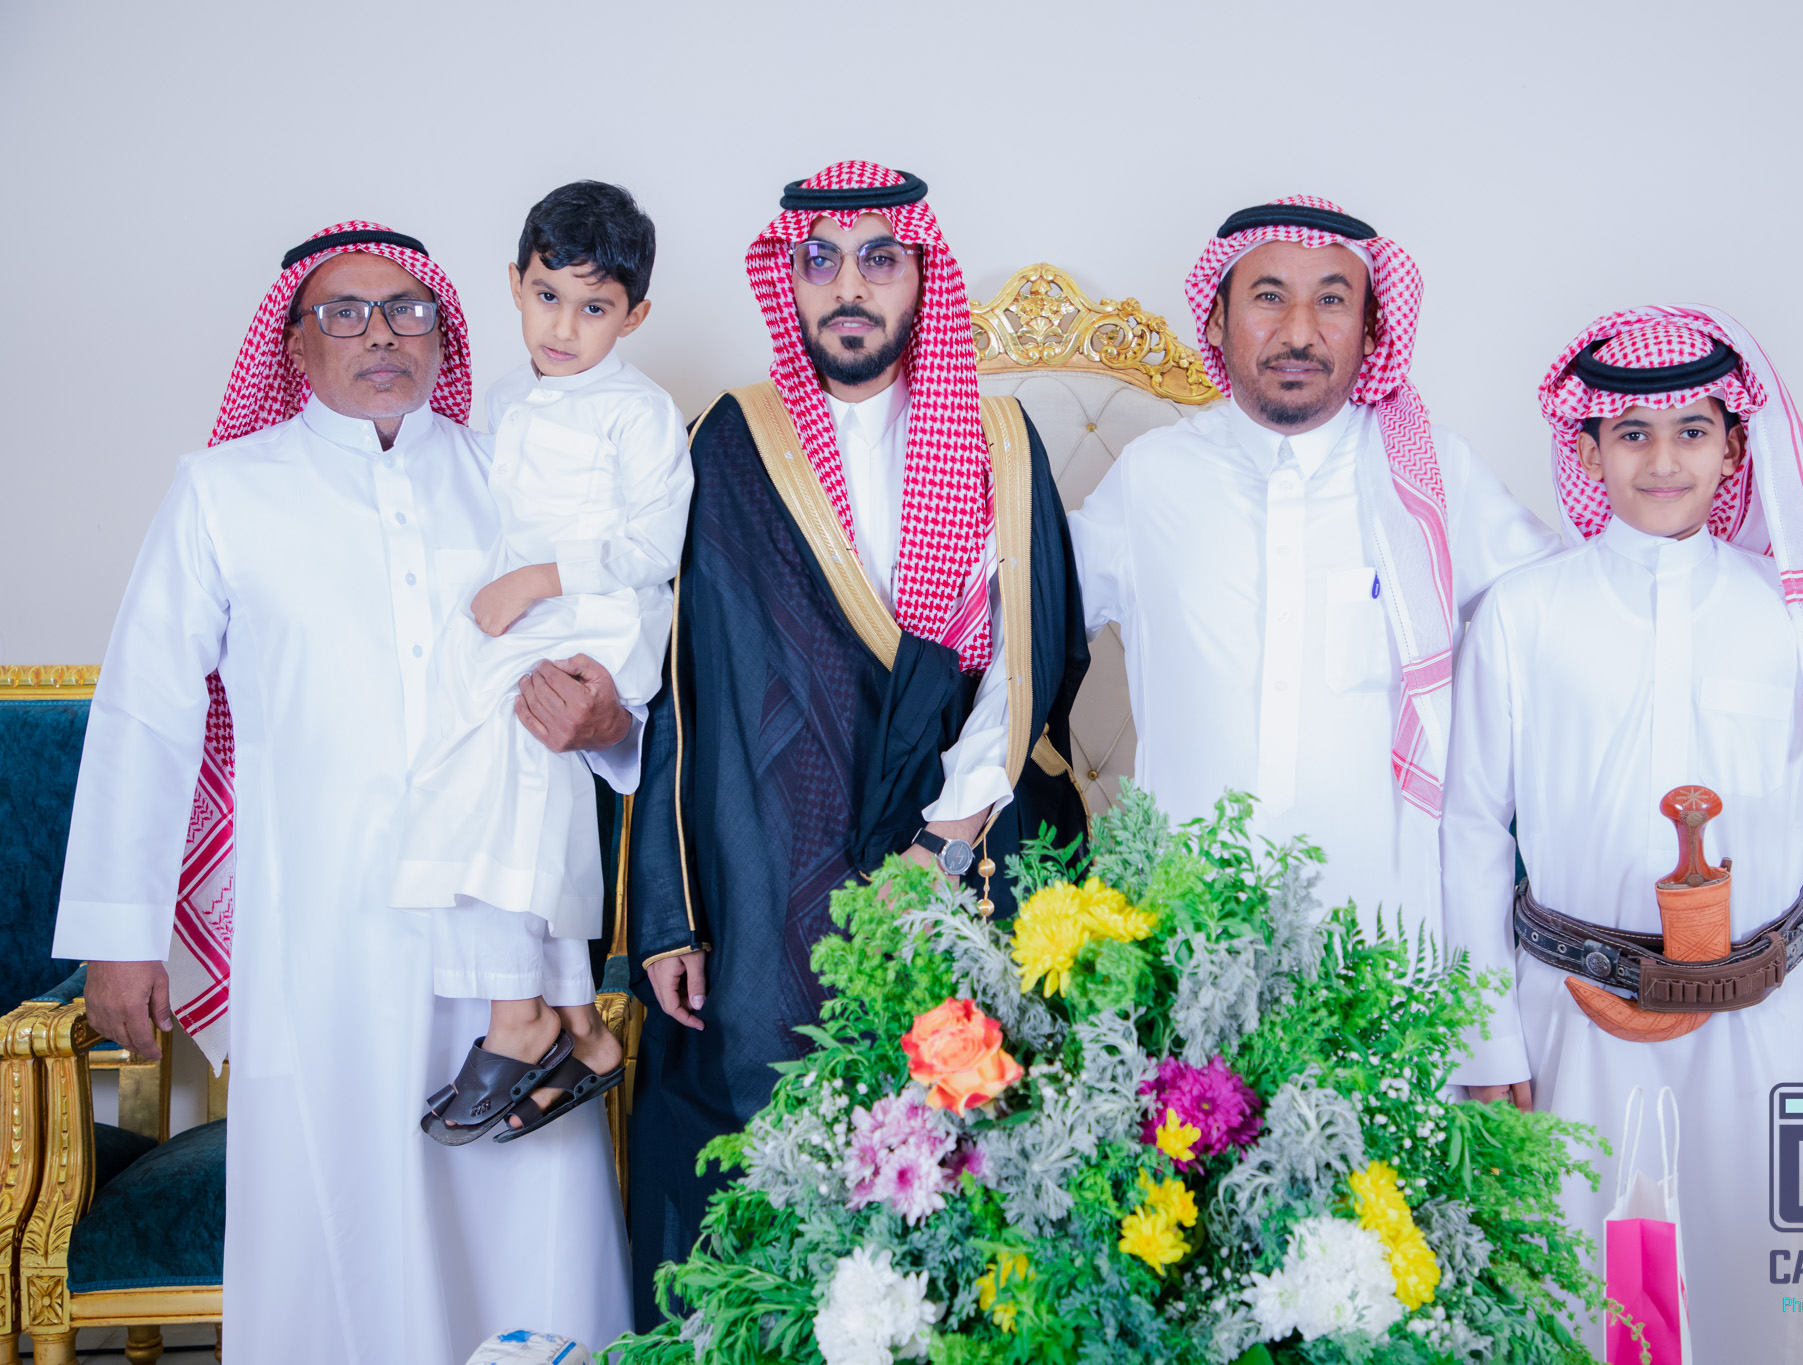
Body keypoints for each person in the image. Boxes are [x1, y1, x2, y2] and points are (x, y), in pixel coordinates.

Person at [53, 223, 633, 1359]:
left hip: (503, 936)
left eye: (407, 311)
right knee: (345, 1210)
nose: (381, 335)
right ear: (294, 343)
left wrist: (610, 723)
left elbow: (608, 650)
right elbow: (145, 715)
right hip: (322, 936)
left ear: (443, 333)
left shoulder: (512, 479)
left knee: (526, 1202)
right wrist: (120, 936)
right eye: (346, 313)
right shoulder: (224, 491)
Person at [1068, 196, 1803, 942]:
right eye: (1268, 296)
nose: (1299, 331)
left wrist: (1791, 634)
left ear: (1371, 327)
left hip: (1385, 938)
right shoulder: (1152, 478)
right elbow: (1033, 611)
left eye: (1332, 299)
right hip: (1181, 931)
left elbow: (1589, 608)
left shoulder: (1433, 477)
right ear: (1217, 318)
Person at [621, 161, 1091, 1328]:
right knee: (760, 1125)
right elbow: (682, 679)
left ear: (920, 276)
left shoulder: (998, 439)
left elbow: (1029, 656)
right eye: (820, 260)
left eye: (879, 258)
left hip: (960, 850)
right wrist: (668, 911)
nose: (849, 286)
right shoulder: (732, 442)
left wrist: (949, 833)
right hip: (770, 858)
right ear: (787, 281)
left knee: (963, 1140)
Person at [1442, 307, 1803, 1362]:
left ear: (1734, 449)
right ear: (1586, 451)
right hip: (1571, 1019)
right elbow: (1471, 832)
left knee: (1768, 1298)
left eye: (1692, 432)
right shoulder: (1521, 615)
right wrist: (1486, 1037)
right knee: (1590, 1293)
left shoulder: (1799, 616)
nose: (1662, 461)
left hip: (1768, 1019)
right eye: (1631, 434)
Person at [394, 182, 689, 1144]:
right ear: (514, 285)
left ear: (635, 315)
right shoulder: (507, 396)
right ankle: (577, 1023)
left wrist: (532, 581)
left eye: (595, 307)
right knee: (480, 758)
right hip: (529, 614)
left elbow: (653, 548)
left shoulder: (639, 411)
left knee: (511, 746)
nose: (564, 327)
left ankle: (520, 1014)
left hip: (600, 620)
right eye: (547, 296)